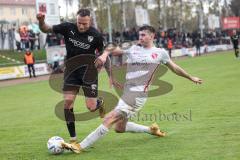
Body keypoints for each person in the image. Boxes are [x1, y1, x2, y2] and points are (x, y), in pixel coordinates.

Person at [61, 25, 203, 153]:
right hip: (128, 93)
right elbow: (111, 47)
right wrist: (105, 54)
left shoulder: (160, 53)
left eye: (143, 35)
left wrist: (190, 77)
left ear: (152, 36)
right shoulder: (133, 48)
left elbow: (175, 68)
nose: (140, 37)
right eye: (139, 35)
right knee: (119, 128)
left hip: (138, 94)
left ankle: (80, 146)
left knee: (110, 118)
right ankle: (151, 129)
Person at [36, 9, 110, 144]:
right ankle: (73, 140)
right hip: (71, 70)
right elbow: (46, 29)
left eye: (85, 23)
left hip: (89, 72)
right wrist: (41, 21)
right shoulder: (67, 27)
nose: (81, 26)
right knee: (68, 102)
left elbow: (104, 53)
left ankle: (99, 103)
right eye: (79, 23)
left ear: (90, 21)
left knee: (91, 107)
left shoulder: (96, 35)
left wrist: (110, 75)